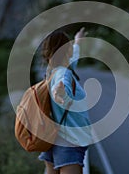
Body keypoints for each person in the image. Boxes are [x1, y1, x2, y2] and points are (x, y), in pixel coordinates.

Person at [38, 28, 91, 174]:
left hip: (53, 136)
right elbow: (62, 85)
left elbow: (73, 58)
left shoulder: (51, 70)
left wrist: (77, 40)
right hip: (69, 140)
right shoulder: (63, 73)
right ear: (65, 50)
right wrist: (58, 93)